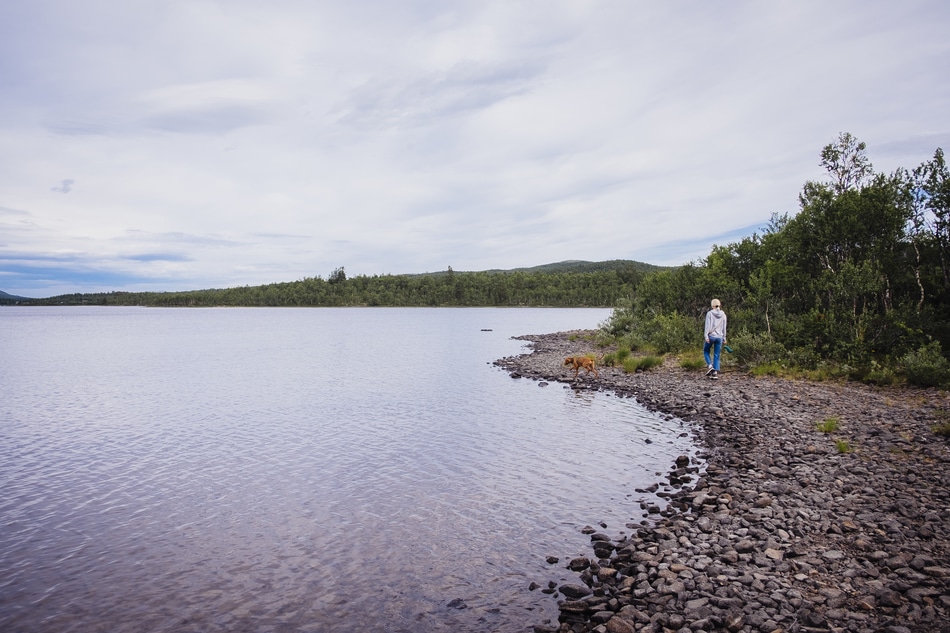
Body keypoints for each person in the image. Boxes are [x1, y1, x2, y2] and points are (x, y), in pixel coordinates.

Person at [703, 298, 727, 380]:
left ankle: (710, 366)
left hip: (711, 336)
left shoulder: (709, 314)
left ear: (712, 305)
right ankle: (715, 373)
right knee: (717, 355)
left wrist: (706, 336)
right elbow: (724, 327)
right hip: (719, 337)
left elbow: (707, 325)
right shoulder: (723, 314)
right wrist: (724, 338)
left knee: (706, 351)